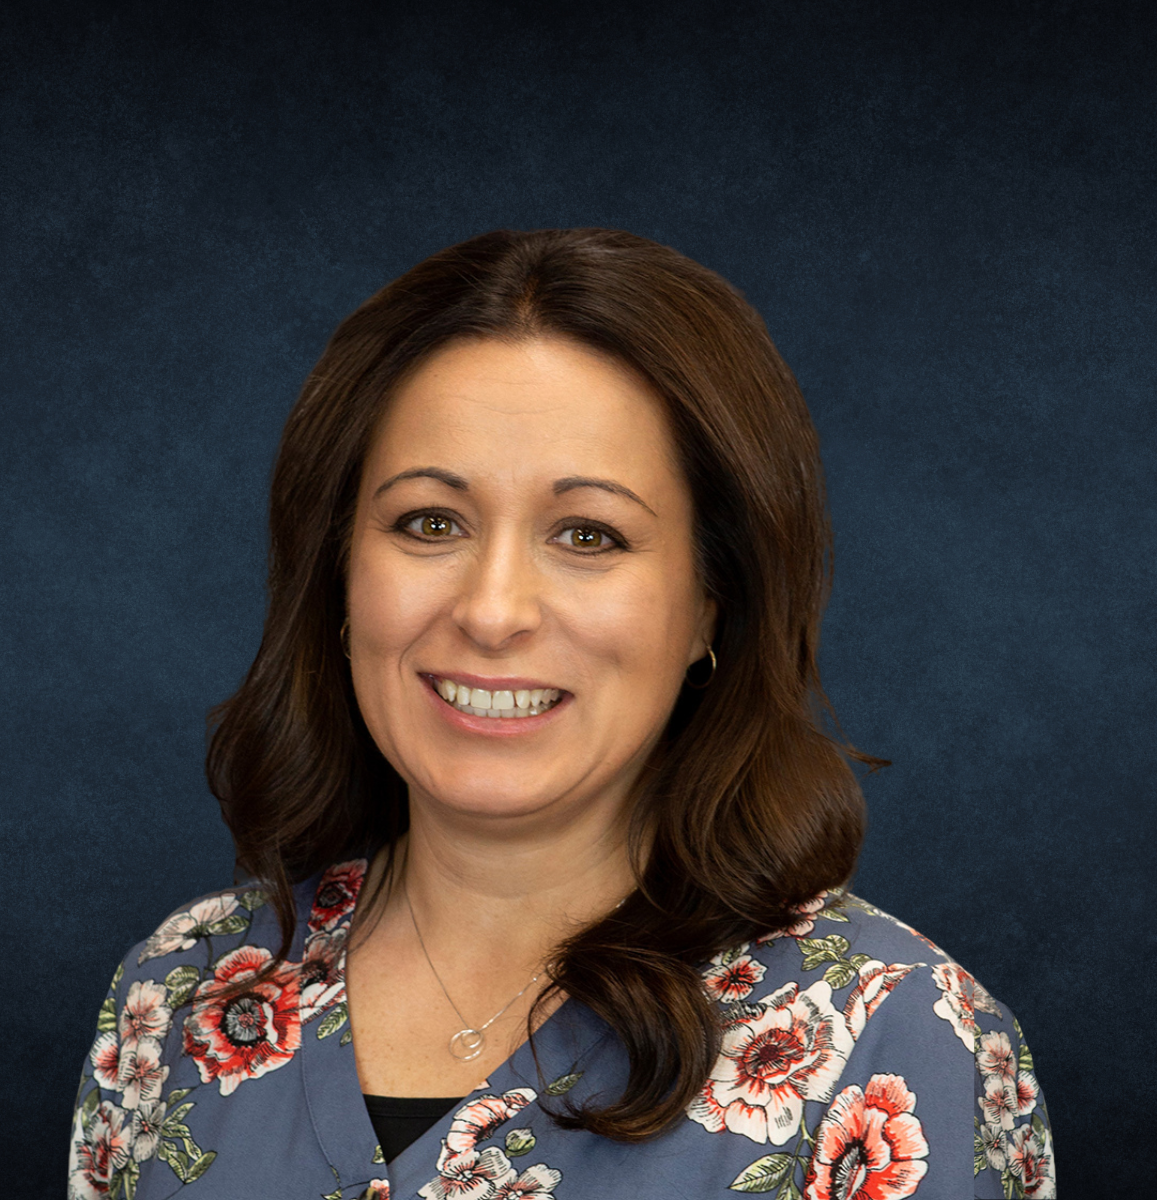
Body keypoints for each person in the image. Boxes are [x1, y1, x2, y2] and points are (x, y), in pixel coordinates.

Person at [68, 228, 1055, 1200]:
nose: (492, 611)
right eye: (430, 523)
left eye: (588, 535)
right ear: (338, 572)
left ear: (713, 603)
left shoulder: (897, 1041)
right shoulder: (179, 993)